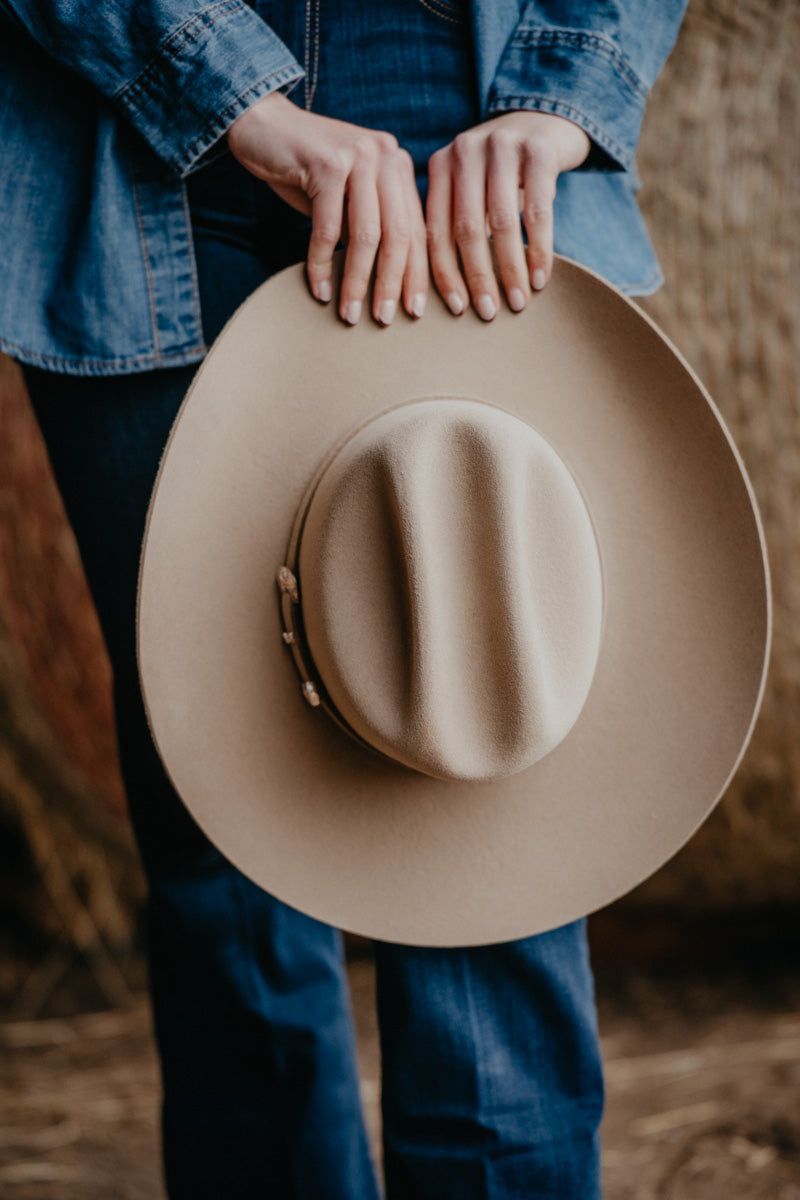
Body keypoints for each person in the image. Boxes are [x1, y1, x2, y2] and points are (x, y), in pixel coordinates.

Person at [0, 3, 688, 1196]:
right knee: (217, 816)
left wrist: (562, 93)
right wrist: (230, 95)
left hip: (469, 80)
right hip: (132, 120)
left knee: (493, 803)